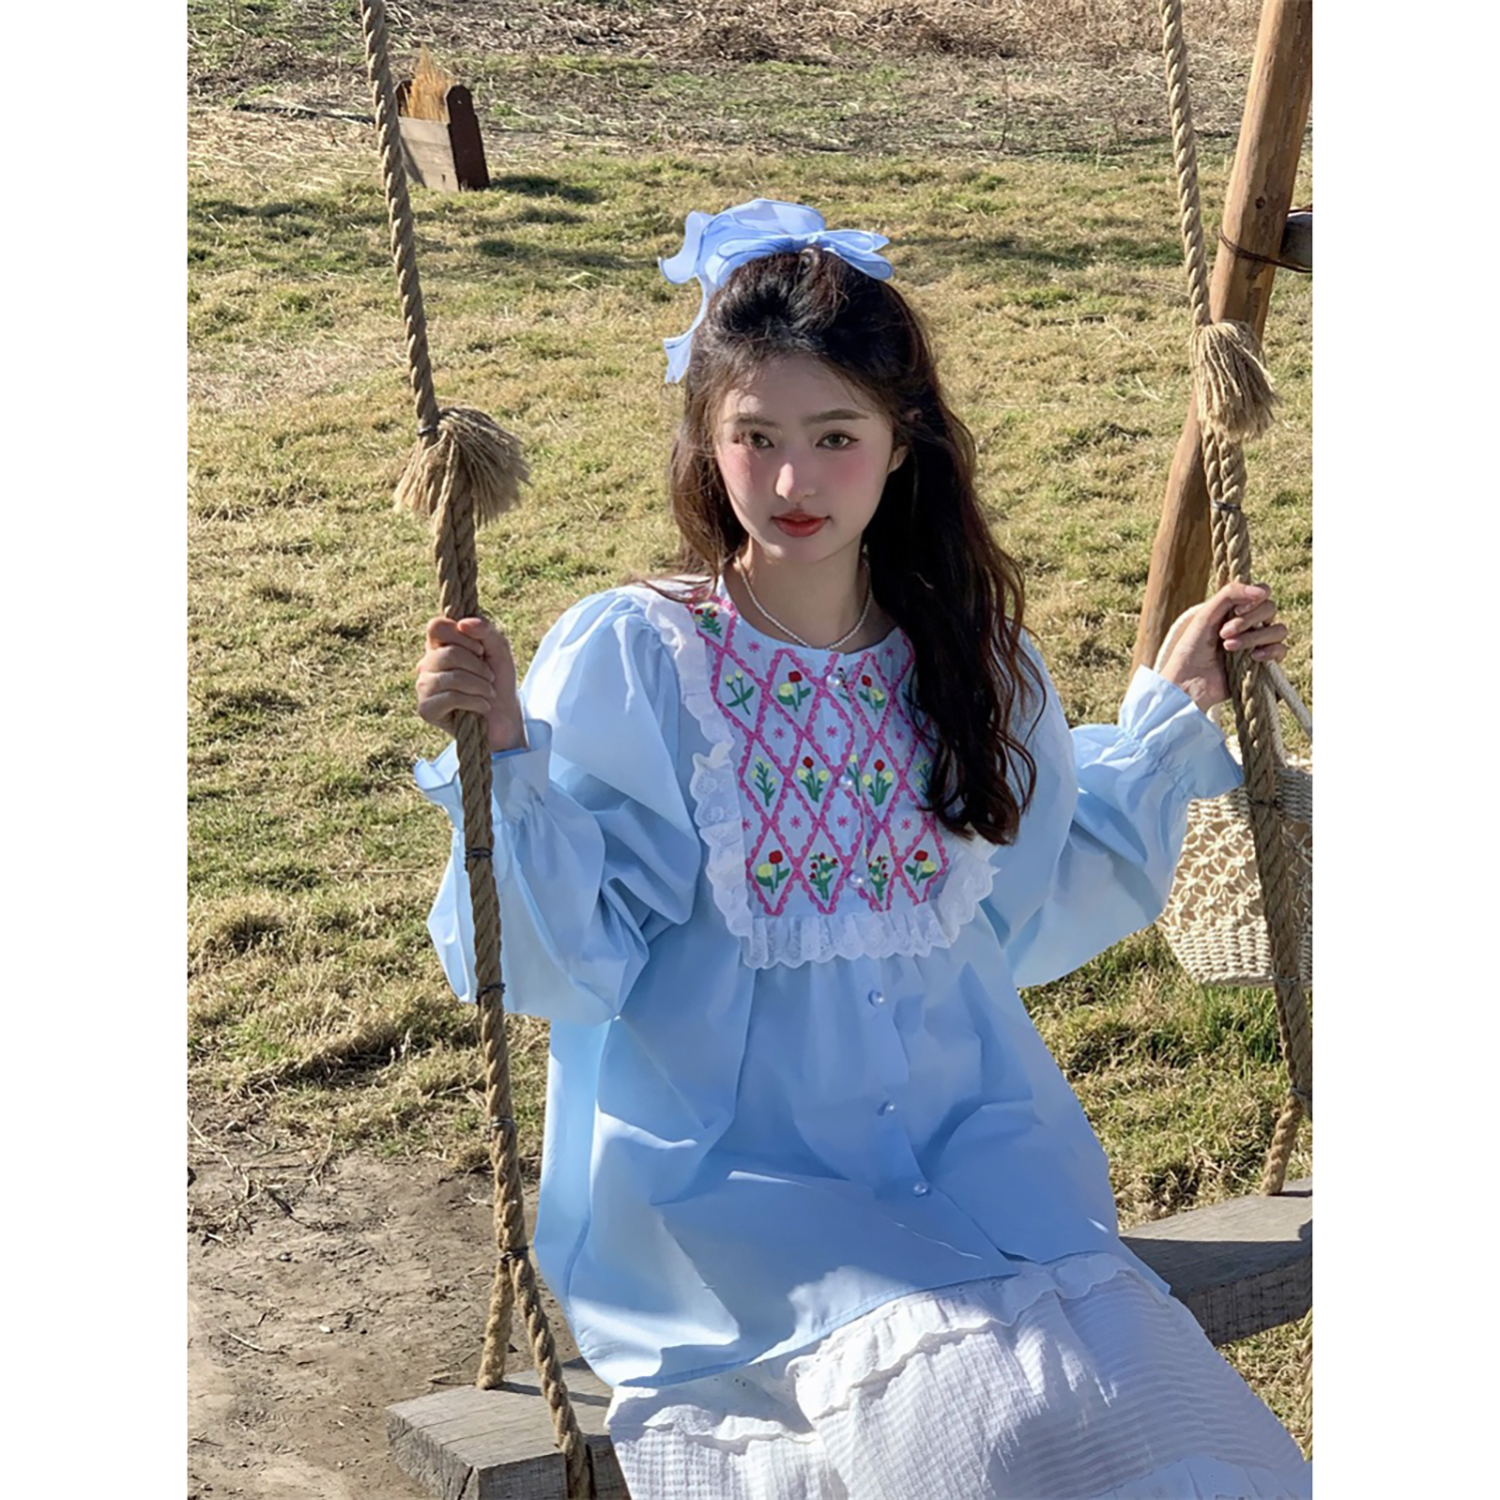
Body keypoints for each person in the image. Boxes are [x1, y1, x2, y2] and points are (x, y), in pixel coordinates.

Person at [413, 199, 1309, 1499]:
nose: (794, 483)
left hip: (986, 1171)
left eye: (835, 437)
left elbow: (1040, 895)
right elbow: (573, 962)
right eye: (756, 438)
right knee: (997, 1436)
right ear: (706, 441)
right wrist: (505, 762)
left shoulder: (971, 661)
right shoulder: (642, 662)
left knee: (1184, 1437)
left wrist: (1169, 722)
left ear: (901, 444)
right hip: (739, 1209)